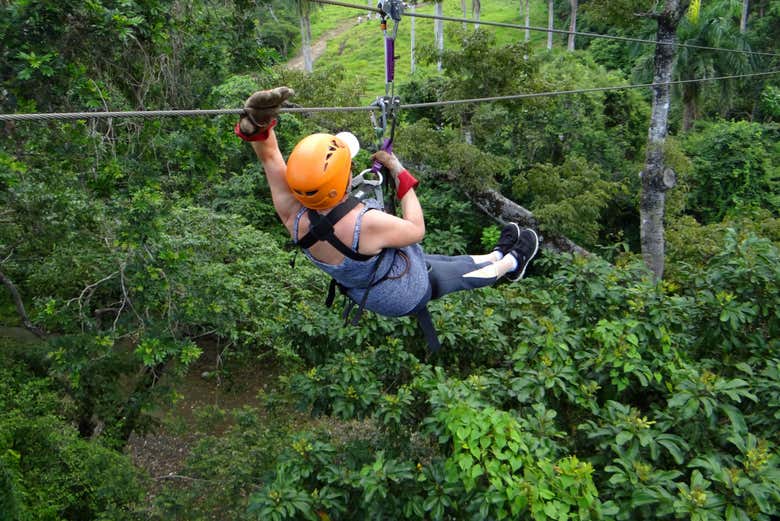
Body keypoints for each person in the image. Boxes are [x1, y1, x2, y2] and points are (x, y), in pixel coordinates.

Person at [235, 87, 539, 331]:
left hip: (371, 279)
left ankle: (496, 253)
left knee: (443, 260)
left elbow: (271, 158)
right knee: (449, 276)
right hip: (401, 294)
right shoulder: (365, 223)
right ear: (342, 179)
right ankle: (511, 264)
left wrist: (255, 124)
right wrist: (398, 170)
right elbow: (416, 228)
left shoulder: (292, 213)